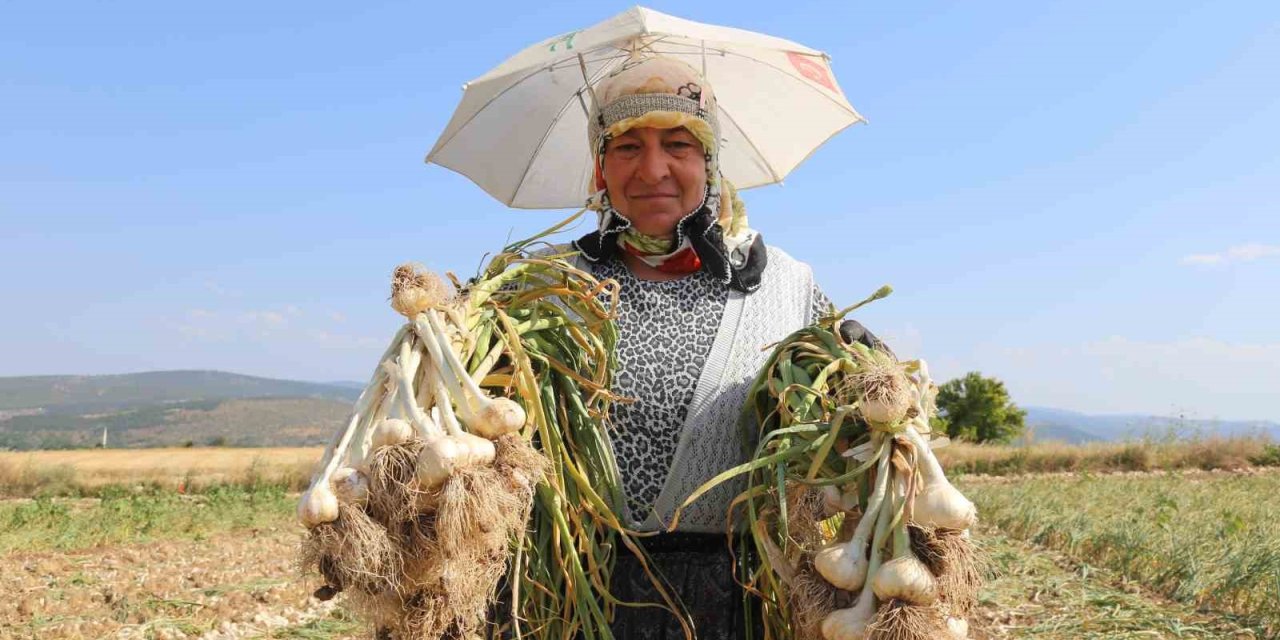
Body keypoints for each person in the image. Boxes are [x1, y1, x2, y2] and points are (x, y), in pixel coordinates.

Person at [557, 55, 885, 640]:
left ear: (709, 163)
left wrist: (866, 381)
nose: (652, 168)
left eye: (679, 145)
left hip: (736, 602)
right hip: (570, 596)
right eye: (627, 147)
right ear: (600, 168)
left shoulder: (785, 287)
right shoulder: (546, 286)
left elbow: (843, 432)